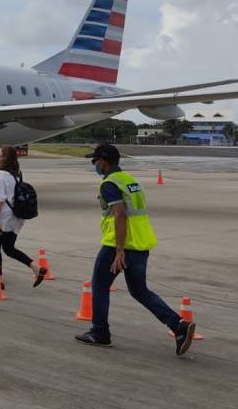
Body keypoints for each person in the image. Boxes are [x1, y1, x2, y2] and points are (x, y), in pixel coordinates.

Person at [75, 144, 196, 356]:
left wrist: (120, 250)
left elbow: (120, 214)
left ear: (104, 160)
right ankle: (179, 326)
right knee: (140, 290)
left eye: (95, 161)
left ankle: (100, 333)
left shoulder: (109, 184)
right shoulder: (131, 181)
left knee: (100, 286)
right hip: (140, 244)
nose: (94, 165)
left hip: (118, 245)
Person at [0, 145, 47, 289]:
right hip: (16, 217)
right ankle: (36, 267)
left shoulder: (0, 175)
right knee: (9, 248)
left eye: (0, 154)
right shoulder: (17, 174)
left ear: (4, 157)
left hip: (4, 218)